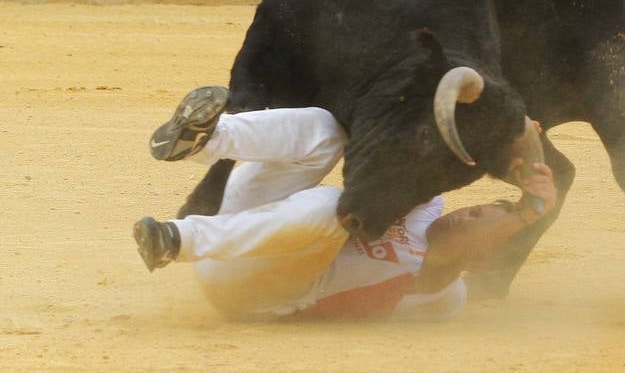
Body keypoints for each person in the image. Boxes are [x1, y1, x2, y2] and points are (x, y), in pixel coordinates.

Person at [133, 85, 556, 320]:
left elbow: (442, 265)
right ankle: (205, 140)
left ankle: (175, 240)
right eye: (477, 206)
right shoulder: (424, 210)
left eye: (480, 218)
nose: (466, 212)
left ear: (481, 263)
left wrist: (529, 211)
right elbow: (408, 150)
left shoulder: (440, 292)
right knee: (326, 131)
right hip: (240, 234)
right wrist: (505, 135)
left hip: (250, 293)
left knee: (332, 209)